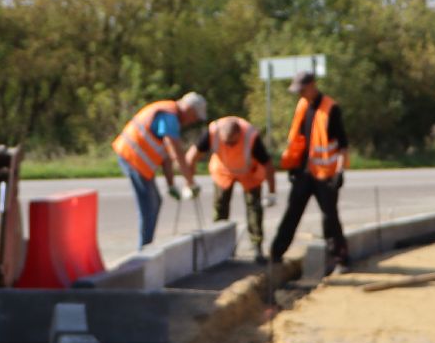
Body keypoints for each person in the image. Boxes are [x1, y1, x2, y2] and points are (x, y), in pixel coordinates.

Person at [269, 71, 349, 269]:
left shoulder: (331, 108)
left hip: (325, 175)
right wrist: (292, 166)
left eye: (302, 90)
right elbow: (298, 139)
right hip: (303, 172)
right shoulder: (302, 105)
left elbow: (342, 145)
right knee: (292, 213)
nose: (300, 94)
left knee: (330, 218)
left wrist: (339, 172)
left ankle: (340, 260)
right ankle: (276, 255)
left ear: (312, 85)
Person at [112, 92, 207, 247]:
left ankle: (147, 246)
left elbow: (166, 156)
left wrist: (171, 185)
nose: (193, 121)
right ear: (189, 109)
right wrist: (190, 182)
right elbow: (176, 152)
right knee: (149, 206)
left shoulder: (171, 116)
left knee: (155, 202)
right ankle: (144, 250)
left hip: (138, 162)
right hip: (132, 157)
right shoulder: (170, 116)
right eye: (195, 116)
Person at [187, 115, 277, 263]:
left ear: (239, 134)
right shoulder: (213, 132)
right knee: (220, 207)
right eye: (226, 143)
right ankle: (219, 247)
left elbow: (268, 165)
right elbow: (191, 157)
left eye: (232, 142)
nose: (229, 146)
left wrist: (272, 192)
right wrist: (190, 184)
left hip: (249, 172)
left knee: (254, 208)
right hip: (223, 171)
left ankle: (257, 245)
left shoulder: (251, 136)